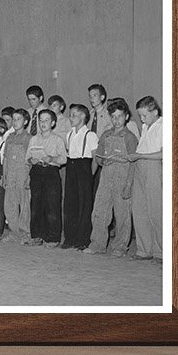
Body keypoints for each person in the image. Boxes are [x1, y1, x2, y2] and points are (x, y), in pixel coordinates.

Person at [84, 97, 137, 257]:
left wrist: (128, 185)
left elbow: (134, 162)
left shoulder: (130, 137)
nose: (116, 120)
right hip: (106, 179)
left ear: (126, 116)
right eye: (113, 117)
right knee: (99, 211)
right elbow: (98, 157)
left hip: (122, 178)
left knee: (122, 215)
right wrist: (102, 159)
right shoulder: (106, 135)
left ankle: (120, 246)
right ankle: (97, 244)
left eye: (120, 116)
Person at [123, 96, 164, 261]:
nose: (141, 119)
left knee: (156, 210)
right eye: (140, 116)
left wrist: (139, 155)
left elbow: (164, 153)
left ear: (155, 112)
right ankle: (144, 249)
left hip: (154, 167)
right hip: (140, 166)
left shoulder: (163, 127)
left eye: (144, 116)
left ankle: (161, 251)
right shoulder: (146, 126)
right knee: (139, 209)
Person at [26, 108, 67, 246]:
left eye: (46, 120)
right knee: (36, 204)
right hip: (36, 172)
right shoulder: (33, 139)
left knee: (52, 204)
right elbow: (27, 157)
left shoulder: (57, 140)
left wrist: (51, 158)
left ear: (53, 123)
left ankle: (53, 237)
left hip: (51, 172)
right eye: (41, 120)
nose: (43, 123)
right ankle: (37, 235)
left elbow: (64, 159)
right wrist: (32, 160)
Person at [62, 103, 98, 249]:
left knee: (84, 205)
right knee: (70, 204)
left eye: (74, 115)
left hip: (84, 168)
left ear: (83, 116)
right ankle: (70, 238)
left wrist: (90, 176)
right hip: (71, 167)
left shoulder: (90, 135)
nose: (71, 118)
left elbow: (95, 158)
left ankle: (83, 240)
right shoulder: (69, 134)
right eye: (70, 115)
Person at [2, 109, 32, 242]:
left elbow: (30, 160)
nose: (15, 122)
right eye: (13, 119)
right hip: (10, 174)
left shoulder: (29, 138)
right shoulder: (9, 138)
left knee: (24, 204)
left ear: (25, 121)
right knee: (10, 204)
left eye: (18, 119)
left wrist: (28, 177)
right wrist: (4, 176)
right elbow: (6, 158)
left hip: (23, 174)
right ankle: (14, 232)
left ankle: (25, 232)